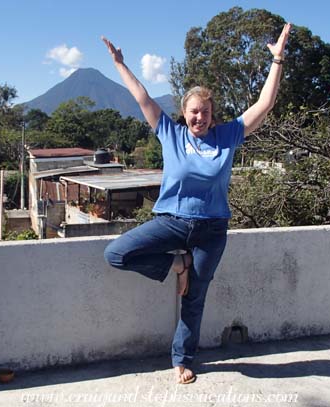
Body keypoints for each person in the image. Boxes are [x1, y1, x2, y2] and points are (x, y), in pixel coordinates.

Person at [102, 23, 291, 384]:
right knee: (116, 254)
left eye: (204, 112)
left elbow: (264, 104)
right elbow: (142, 97)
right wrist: (120, 64)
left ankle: (183, 359)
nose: (199, 117)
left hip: (212, 229)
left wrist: (278, 59)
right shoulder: (169, 134)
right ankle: (178, 263)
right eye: (193, 112)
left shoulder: (227, 136)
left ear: (212, 114)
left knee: (196, 298)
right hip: (171, 221)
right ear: (184, 114)